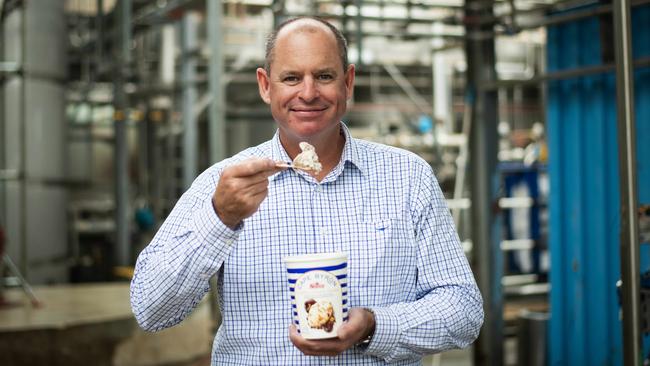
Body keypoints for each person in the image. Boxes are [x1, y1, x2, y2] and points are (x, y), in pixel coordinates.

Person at [130, 16, 483, 365]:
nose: (309, 92)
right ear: (266, 85)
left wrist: (375, 327)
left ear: (348, 82)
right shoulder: (222, 185)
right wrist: (220, 219)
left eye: (325, 76)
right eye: (292, 78)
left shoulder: (408, 177)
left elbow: (463, 309)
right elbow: (151, 309)